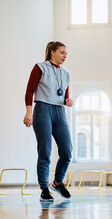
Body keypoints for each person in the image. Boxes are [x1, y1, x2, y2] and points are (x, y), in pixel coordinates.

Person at [24, 41, 72, 202]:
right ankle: (44, 188)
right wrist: (28, 112)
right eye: (62, 52)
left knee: (67, 151)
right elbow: (30, 90)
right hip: (43, 110)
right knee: (45, 151)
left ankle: (57, 182)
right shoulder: (40, 67)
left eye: (66, 53)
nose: (65, 55)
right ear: (52, 52)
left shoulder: (66, 74)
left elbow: (65, 96)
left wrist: (68, 100)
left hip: (59, 111)